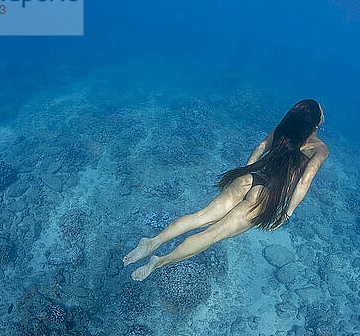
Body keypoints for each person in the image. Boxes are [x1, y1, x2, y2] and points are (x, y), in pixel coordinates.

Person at [123, 99, 328, 281]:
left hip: (248, 179)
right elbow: (304, 182)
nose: (323, 114)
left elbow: (259, 149)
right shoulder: (319, 148)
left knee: (201, 216)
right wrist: (287, 213)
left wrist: (248, 172)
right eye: (321, 111)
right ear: (315, 121)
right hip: (264, 197)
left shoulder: (283, 130)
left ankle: (151, 242)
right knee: (213, 234)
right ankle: (158, 262)